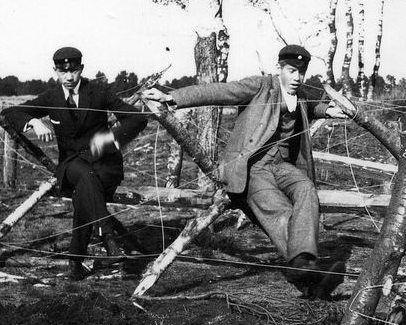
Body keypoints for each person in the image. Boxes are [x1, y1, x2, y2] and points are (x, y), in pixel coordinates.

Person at [142, 44, 347, 299]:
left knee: (306, 188)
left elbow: (311, 105)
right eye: (292, 71)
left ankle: (303, 268)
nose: (297, 78)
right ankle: (307, 268)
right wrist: (172, 97)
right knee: (280, 212)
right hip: (254, 168)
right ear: (279, 68)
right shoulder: (260, 86)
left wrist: (328, 110)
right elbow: (220, 91)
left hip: (283, 166)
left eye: (301, 72)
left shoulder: (301, 93)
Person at [1, 47, 149, 280]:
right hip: (71, 165)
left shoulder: (99, 92)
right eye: (63, 72)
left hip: (105, 165)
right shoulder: (51, 98)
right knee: (84, 178)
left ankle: (75, 262)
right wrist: (34, 122)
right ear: (55, 71)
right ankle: (109, 238)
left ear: (81, 68)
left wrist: (111, 139)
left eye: (74, 71)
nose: (69, 77)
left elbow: (137, 118)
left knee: (85, 191)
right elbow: (10, 112)